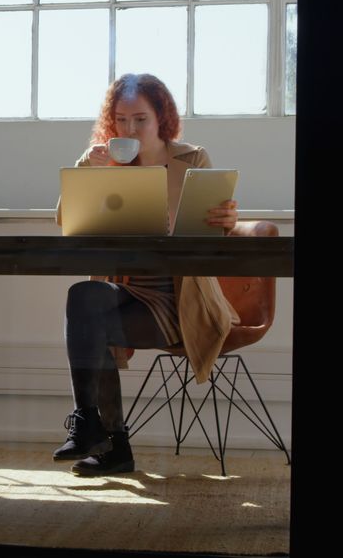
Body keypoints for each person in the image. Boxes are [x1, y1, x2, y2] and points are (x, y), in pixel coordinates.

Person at [53, 73, 239, 476]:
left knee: (91, 318)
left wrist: (227, 219)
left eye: (140, 119)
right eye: (121, 120)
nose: (130, 129)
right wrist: (89, 172)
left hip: (179, 296)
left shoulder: (193, 159)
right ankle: (88, 422)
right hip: (128, 290)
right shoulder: (102, 160)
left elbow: (215, 231)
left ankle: (113, 447)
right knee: (83, 296)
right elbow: (66, 220)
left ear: (161, 118)